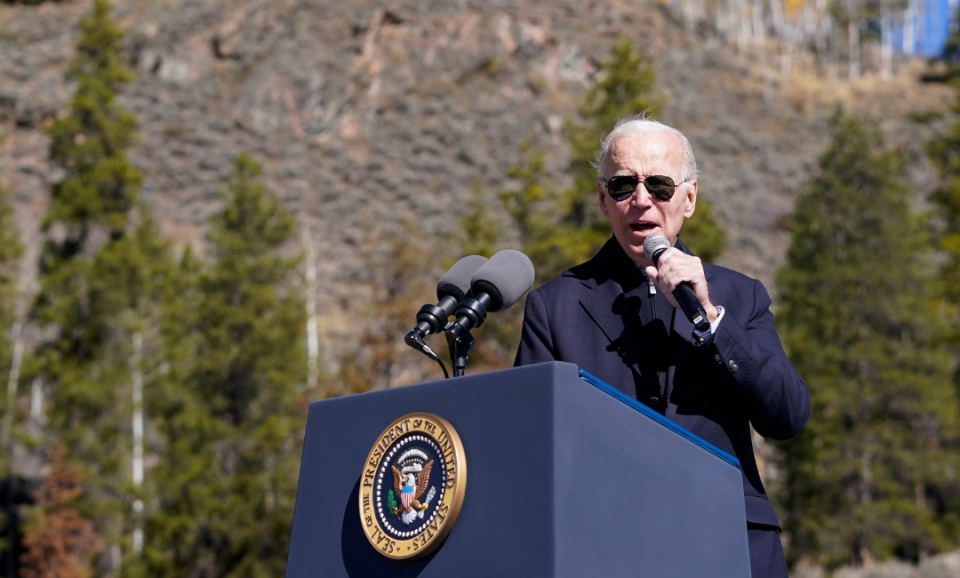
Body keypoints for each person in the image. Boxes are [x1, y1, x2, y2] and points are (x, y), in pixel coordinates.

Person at [514, 114, 810, 578]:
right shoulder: (555, 306)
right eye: (622, 186)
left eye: (659, 186)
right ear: (602, 199)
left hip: (728, 544)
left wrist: (712, 320)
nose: (641, 200)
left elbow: (788, 415)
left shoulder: (738, 295)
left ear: (688, 199)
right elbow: (529, 449)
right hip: (606, 547)